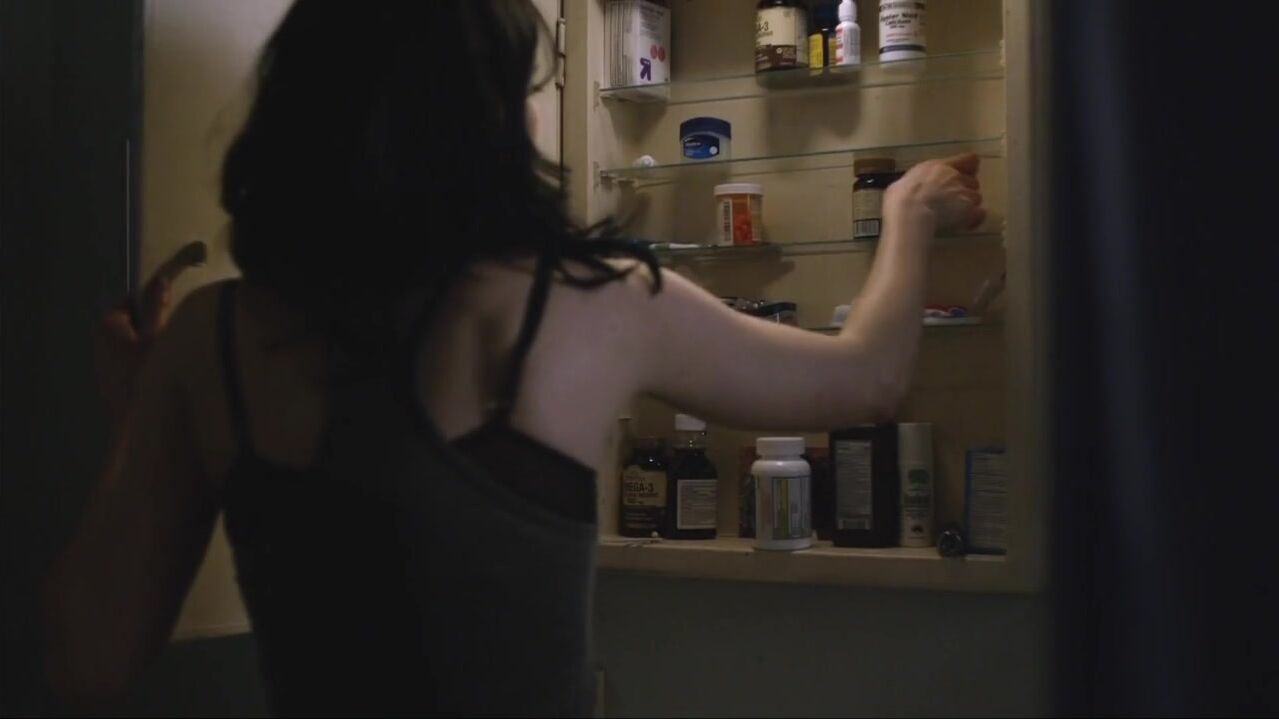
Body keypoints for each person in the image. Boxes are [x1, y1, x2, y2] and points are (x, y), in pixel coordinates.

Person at [43, 1, 984, 715]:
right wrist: (905, 212)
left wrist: (142, 421)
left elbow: (89, 662)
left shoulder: (208, 340)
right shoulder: (593, 302)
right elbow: (868, 376)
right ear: (484, 120)